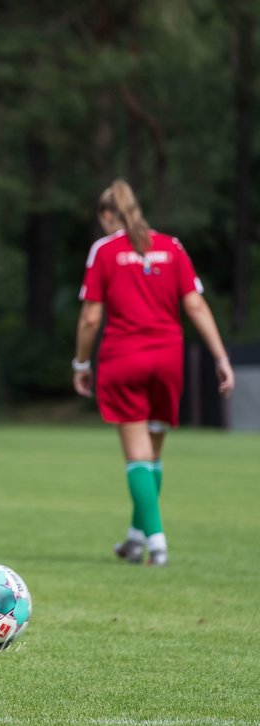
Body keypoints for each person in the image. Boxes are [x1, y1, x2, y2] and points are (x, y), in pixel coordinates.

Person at [72, 178, 234, 566]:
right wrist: (220, 357)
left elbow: (92, 316)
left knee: (137, 457)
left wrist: (80, 362)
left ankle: (157, 542)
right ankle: (134, 539)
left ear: (108, 215)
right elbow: (195, 305)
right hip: (167, 361)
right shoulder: (170, 246)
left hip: (124, 360)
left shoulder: (105, 250)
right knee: (153, 456)